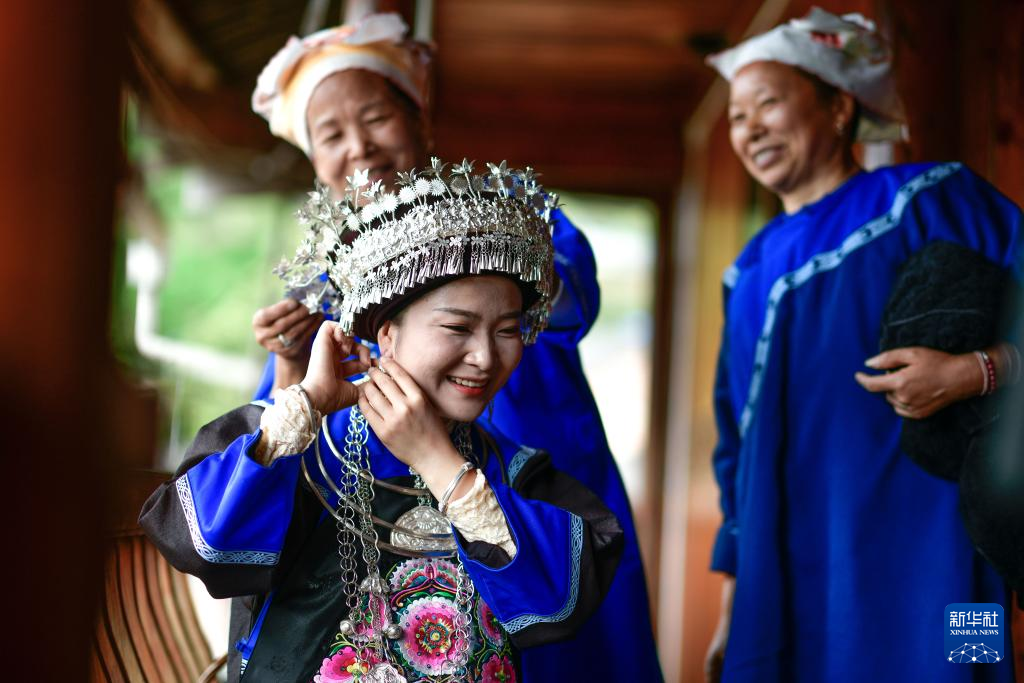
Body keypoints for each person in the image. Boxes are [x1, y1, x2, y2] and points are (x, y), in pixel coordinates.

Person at [247, 13, 662, 680]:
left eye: (376, 118)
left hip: (536, 483)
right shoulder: (320, 285)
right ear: (315, 161)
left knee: (559, 642)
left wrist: (474, 260)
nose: (359, 147)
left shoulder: (510, 216)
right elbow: (279, 450)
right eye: (332, 135)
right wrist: (290, 363)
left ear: (421, 121)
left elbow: (570, 292)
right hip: (389, 524)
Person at [141, 161, 637, 682]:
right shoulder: (303, 445)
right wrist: (307, 401)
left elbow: (558, 598)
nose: (485, 357)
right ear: (387, 335)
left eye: (507, 330)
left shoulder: (519, 474)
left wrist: (436, 460)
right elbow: (205, 540)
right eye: (457, 327)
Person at [701, 8, 1023, 683]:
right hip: (786, 577)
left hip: (941, 556)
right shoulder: (747, 272)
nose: (750, 128)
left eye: (769, 104)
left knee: (968, 665)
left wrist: (976, 371)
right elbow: (736, 447)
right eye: (736, 116)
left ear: (839, 107)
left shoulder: (928, 200)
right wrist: (733, 601)